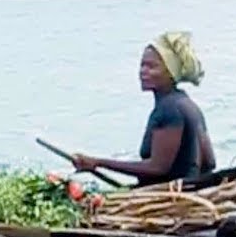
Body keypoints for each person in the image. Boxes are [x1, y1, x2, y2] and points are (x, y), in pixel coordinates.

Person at [69, 31, 217, 186]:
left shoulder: (168, 109)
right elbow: (210, 162)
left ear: (170, 72)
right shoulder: (189, 105)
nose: (143, 71)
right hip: (184, 194)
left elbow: (158, 168)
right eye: (142, 65)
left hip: (166, 199)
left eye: (152, 66)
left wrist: (97, 163)